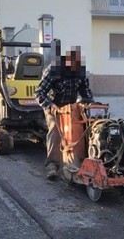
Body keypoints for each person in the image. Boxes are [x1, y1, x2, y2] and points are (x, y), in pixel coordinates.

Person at [35, 45, 94, 180]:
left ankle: (81, 160)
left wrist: (89, 102)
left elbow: (86, 91)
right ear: (66, 62)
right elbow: (39, 93)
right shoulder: (54, 70)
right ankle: (52, 165)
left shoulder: (80, 71)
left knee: (84, 128)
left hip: (71, 106)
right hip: (53, 105)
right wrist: (51, 106)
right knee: (56, 130)